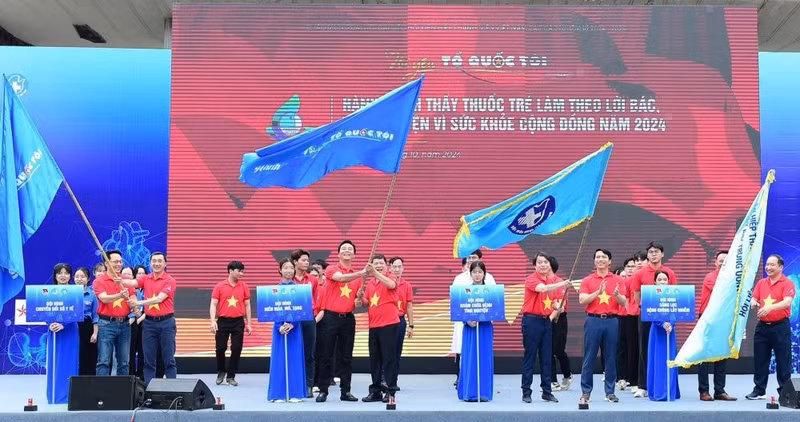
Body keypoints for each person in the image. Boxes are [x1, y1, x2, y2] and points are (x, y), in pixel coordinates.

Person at [316, 240, 368, 402]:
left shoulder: (359, 278)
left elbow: (361, 301)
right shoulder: (332, 269)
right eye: (344, 249)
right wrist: (362, 272)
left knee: (346, 356)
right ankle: (323, 390)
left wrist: (360, 301)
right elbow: (341, 278)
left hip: (347, 319)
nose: (347, 251)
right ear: (339, 254)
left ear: (354, 254)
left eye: (350, 249)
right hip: (330, 318)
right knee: (326, 355)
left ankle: (345, 391)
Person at [578, 249, 627, 405]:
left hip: (612, 321)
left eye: (604, 257)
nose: (600, 259)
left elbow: (623, 302)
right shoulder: (587, 280)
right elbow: (582, 300)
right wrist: (597, 292)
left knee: (611, 357)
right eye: (598, 257)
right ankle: (586, 392)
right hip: (593, 320)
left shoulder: (618, 279)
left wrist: (617, 294)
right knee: (589, 357)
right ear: (594, 261)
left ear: (609, 261)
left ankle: (610, 392)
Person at [628, 242, 677, 398]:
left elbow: (674, 292)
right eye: (650, 252)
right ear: (647, 255)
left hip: (666, 316)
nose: (653, 254)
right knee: (644, 348)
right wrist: (646, 308)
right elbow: (636, 295)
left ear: (662, 254)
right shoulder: (639, 273)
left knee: (664, 349)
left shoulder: (669, 272)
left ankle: (663, 384)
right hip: (646, 315)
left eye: (656, 252)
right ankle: (643, 385)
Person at [121, 252, 177, 385]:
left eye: (159, 261)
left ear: (165, 264)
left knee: (168, 359)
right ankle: (149, 390)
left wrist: (138, 303)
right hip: (149, 324)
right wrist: (117, 279)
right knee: (148, 360)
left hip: (166, 323)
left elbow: (159, 299)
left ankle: (173, 389)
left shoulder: (170, 280)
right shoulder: (145, 278)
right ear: (150, 263)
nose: (156, 264)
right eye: (154, 261)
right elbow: (131, 282)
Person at [746, 254, 795, 400]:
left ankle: (785, 392)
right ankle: (759, 390)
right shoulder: (761, 283)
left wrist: (770, 308)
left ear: (781, 266)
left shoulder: (787, 283)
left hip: (780, 327)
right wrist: (753, 303)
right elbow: (754, 298)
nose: (768, 267)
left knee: (783, 361)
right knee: (760, 360)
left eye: (772, 265)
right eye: (767, 264)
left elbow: (787, 302)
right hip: (762, 327)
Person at [521, 253, 567, 403]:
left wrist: (557, 307)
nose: (542, 265)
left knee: (547, 358)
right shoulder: (531, 279)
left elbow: (554, 302)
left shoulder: (552, 282)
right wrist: (563, 284)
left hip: (546, 321)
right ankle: (526, 391)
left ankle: (547, 391)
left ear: (549, 265)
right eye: (539, 262)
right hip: (531, 322)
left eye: (545, 262)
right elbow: (543, 289)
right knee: (530, 357)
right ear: (535, 265)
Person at [358, 254, 400, 402]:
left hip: (389, 324)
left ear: (386, 265)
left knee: (389, 359)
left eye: (381, 263)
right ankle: (375, 390)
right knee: (375, 360)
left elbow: (391, 286)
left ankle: (390, 391)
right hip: (374, 325)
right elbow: (367, 303)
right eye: (375, 264)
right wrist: (360, 298)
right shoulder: (370, 284)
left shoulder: (391, 277)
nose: (379, 265)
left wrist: (374, 272)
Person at [451, 250, 496, 386]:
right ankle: (461, 378)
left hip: (484, 322)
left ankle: (483, 381)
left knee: (482, 352)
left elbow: (494, 302)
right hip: (465, 322)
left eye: (474, 257)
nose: (471, 260)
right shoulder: (460, 278)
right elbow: (456, 300)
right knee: (462, 349)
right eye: (469, 257)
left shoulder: (489, 278)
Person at [697, 250, 736, 401]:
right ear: (715, 262)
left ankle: (719, 390)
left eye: (726, 260)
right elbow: (724, 292)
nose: (723, 263)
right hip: (708, 318)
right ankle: (704, 391)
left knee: (722, 354)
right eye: (721, 260)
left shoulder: (733, 278)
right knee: (705, 356)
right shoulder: (710, 277)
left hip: (724, 319)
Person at [268, 258, 307, 402]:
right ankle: (278, 394)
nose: (289, 271)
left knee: (294, 359)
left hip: (294, 329)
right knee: (279, 360)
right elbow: (271, 310)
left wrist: (293, 324)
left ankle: (295, 393)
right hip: (279, 330)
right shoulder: (274, 290)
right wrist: (279, 326)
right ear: (280, 270)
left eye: (291, 268)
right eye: (285, 268)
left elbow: (302, 310)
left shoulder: (299, 290)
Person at [93, 250, 136, 376]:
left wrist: (134, 305)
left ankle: (123, 392)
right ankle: (102, 393)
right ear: (107, 263)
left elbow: (133, 297)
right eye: (115, 261)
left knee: (124, 361)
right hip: (106, 324)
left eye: (120, 261)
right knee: (104, 361)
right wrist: (120, 295)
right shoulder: (99, 281)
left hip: (125, 324)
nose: (119, 264)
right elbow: (104, 298)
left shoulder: (126, 280)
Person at [211, 261, 252, 386]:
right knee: (220, 348)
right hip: (223, 321)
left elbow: (248, 305)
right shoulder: (219, 286)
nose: (241, 273)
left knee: (236, 348)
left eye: (242, 271)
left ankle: (231, 376)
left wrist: (248, 323)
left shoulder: (244, 286)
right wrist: (213, 321)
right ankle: (221, 371)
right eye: (239, 271)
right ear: (230, 271)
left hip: (238, 321)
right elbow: (213, 304)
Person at [458, 261, 494, 402]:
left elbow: (495, 310)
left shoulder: (491, 291)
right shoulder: (464, 291)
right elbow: (459, 310)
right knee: (470, 358)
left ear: (484, 273)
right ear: (470, 274)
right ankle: (469, 393)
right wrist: (467, 320)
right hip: (470, 329)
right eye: (474, 272)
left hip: (485, 329)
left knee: (484, 358)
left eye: (480, 272)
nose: (477, 275)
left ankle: (484, 393)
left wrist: (485, 316)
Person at [46, 264, 80, 404]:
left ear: (70, 276)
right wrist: (50, 324)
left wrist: (63, 324)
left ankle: (68, 396)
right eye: (60, 273)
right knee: (54, 362)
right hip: (53, 330)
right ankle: (54, 395)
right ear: (55, 276)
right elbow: (41, 310)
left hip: (70, 330)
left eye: (66, 273)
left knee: (69, 361)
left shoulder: (75, 291)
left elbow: (77, 312)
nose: (63, 275)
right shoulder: (47, 292)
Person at [647, 270, 680, 401]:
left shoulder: (674, 295)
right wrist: (662, 323)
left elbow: (676, 312)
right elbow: (650, 313)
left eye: (664, 279)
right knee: (657, 360)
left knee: (670, 360)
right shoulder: (650, 295)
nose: (662, 282)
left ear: (669, 281)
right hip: (656, 332)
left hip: (670, 331)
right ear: (655, 282)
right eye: (659, 280)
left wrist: (671, 323)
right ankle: (658, 391)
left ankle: (670, 391)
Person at [291, 249, 319, 398]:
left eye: (308, 260)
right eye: (303, 260)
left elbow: (315, 299)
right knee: (294, 352)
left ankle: (309, 385)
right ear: (295, 262)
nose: (306, 263)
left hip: (308, 319)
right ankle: (295, 383)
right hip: (292, 320)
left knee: (310, 353)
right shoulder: (289, 279)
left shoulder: (313, 280)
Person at [547, 255, 572, 392]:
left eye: (546, 263)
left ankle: (567, 374)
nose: (543, 266)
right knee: (547, 350)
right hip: (544, 318)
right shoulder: (541, 282)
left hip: (559, 319)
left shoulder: (560, 282)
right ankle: (552, 381)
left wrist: (554, 312)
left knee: (558, 350)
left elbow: (560, 305)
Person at [390, 256, 414, 390]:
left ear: (403, 269)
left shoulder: (407, 285)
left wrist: (411, 325)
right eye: (395, 267)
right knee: (386, 351)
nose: (397, 269)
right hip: (386, 321)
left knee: (396, 352)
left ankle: (393, 380)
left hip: (400, 321)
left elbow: (409, 306)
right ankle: (383, 378)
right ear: (390, 268)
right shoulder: (386, 282)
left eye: (400, 267)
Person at [616, 257, 639, 391]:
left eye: (633, 266)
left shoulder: (639, 280)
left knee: (633, 349)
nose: (631, 268)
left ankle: (632, 377)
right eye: (628, 266)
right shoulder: (621, 281)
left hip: (634, 317)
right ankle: (621, 377)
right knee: (621, 348)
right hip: (621, 316)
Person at [75, 266, 98, 376]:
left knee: (88, 356)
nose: (79, 279)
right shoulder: (68, 293)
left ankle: (87, 384)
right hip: (72, 326)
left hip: (86, 327)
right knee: (75, 355)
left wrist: (95, 332)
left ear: (88, 279)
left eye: (82, 276)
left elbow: (95, 316)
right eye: (77, 276)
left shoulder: (92, 294)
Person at [127, 266, 146, 380]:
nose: (140, 275)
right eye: (138, 273)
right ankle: (131, 375)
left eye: (142, 273)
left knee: (143, 351)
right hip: (129, 323)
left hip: (142, 322)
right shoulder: (129, 289)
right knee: (130, 351)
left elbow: (145, 307)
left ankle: (142, 375)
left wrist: (139, 318)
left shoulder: (144, 290)